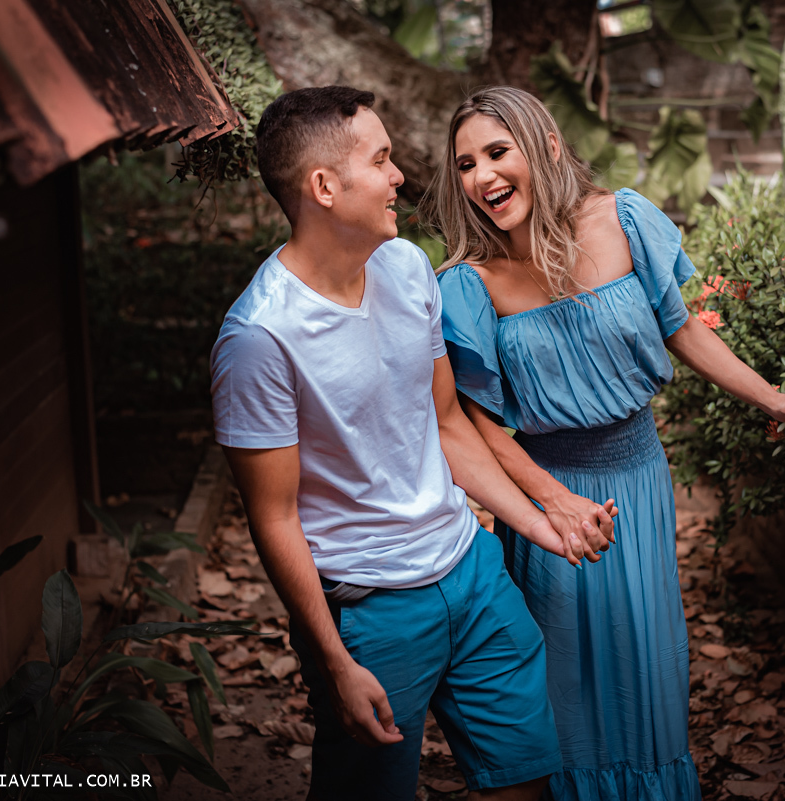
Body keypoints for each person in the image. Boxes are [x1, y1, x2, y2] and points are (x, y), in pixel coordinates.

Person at [421, 86, 785, 800]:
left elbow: (680, 329)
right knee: (565, 681)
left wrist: (774, 397)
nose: (483, 177)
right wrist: (552, 504)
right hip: (548, 498)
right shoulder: (470, 284)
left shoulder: (621, 219)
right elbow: (478, 426)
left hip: (641, 480)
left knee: (645, 668)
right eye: (466, 164)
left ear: (547, 146)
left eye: (498, 152)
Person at [210, 86, 617, 801]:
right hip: (370, 609)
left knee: (526, 777)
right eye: (383, 159)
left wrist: (536, 521)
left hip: (471, 570)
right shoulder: (259, 338)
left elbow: (446, 423)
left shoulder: (405, 269)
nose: (400, 176)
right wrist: (334, 659)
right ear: (324, 187)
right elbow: (271, 516)